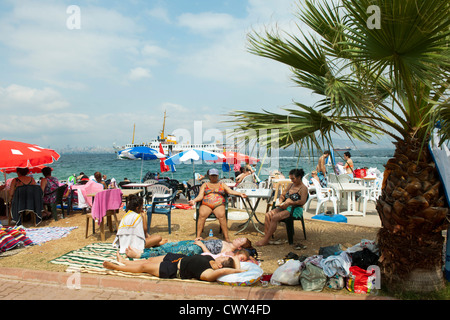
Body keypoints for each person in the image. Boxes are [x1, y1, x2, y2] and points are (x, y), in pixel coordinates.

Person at [188, 168, 247, 242]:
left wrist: (240, 194)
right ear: (209, 176)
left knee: (222, 216)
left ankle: (226, 238)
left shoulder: (222, 184)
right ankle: (198, 236)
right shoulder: (205, 185)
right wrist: (194, 200)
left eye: (215, 176)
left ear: (218, 176)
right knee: (202, 215)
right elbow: (200, 196)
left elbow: (230, 191)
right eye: (212, 176)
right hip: (206, 205)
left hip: (218, 205)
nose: (214, 177)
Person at [103, 251, 242, 282]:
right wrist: (234, 258)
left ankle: (117, 267)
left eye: (223, 258)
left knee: (145, 266)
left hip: (175, 270)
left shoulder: (208, 273)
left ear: (220, 265)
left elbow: (224, 270)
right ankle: (125, 262)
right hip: (178, 257)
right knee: (150, 259)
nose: (222, 255)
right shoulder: (211, 258)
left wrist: (238, 269)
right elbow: (231, 261)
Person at [255, 169, 308, 246]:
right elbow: (282, 195)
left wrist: (290, 202)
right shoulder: (290, 185)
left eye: (293, 178)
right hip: (285, 206)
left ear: (299, 177)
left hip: (295, 208)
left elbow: (302, 201)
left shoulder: (303, 188)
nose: (291, 180)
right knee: (268, 215)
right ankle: (267, 237)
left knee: (275, 217)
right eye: (290, 178)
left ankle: (265, 240)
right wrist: (280, 201)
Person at [125, 237, 255, 261]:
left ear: (240, 247)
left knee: (170, 252)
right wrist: (202, 239)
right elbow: (212, 241)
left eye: (240, 240)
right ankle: (142, 251)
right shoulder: (226, 242)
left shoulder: (229, 252)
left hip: (197, 249)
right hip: (198, 243)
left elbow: (212, 257)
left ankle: (140, 255)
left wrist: (202, 246)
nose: (238, 238)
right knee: (170, 246)